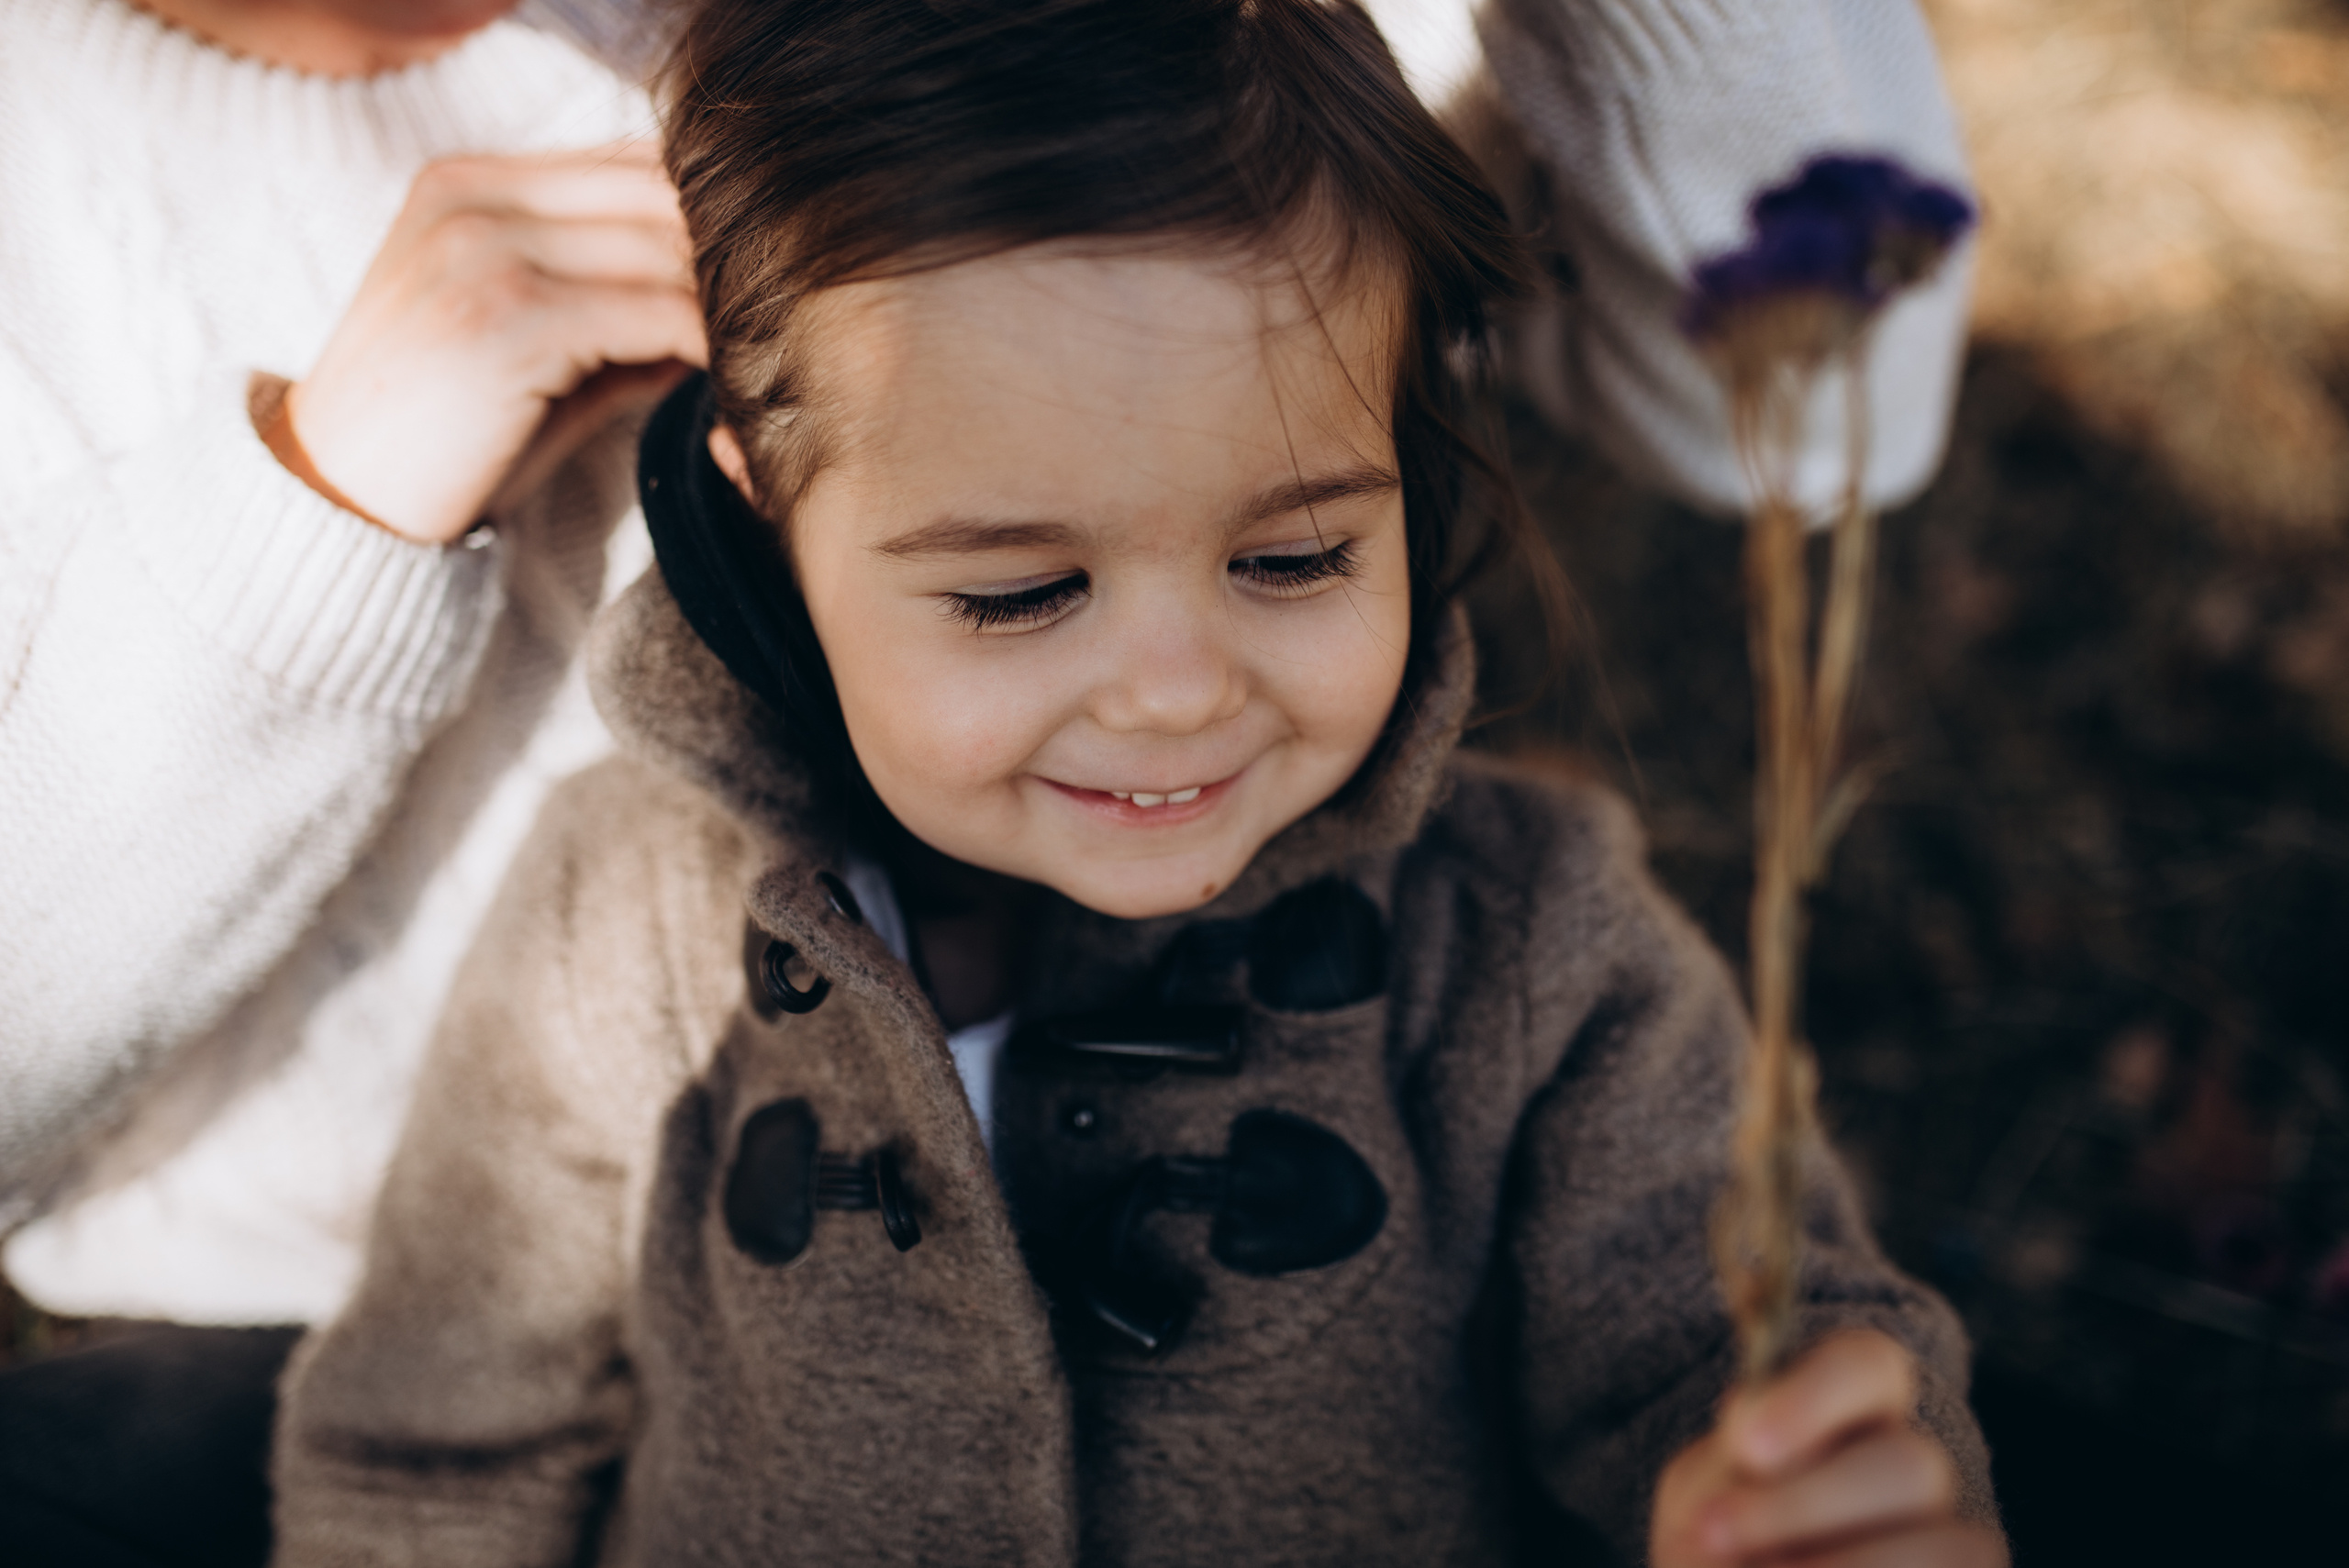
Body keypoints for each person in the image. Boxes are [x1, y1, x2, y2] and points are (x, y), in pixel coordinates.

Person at [269, 3, 2003, 1564]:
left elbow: (1731, 1355)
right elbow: (430, 1466)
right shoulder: (618, 914)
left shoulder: (1533, 938)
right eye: (1021, 591)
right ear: (761, 535)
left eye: (1299, 554)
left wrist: (1828, 1484)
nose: (1178, 694)